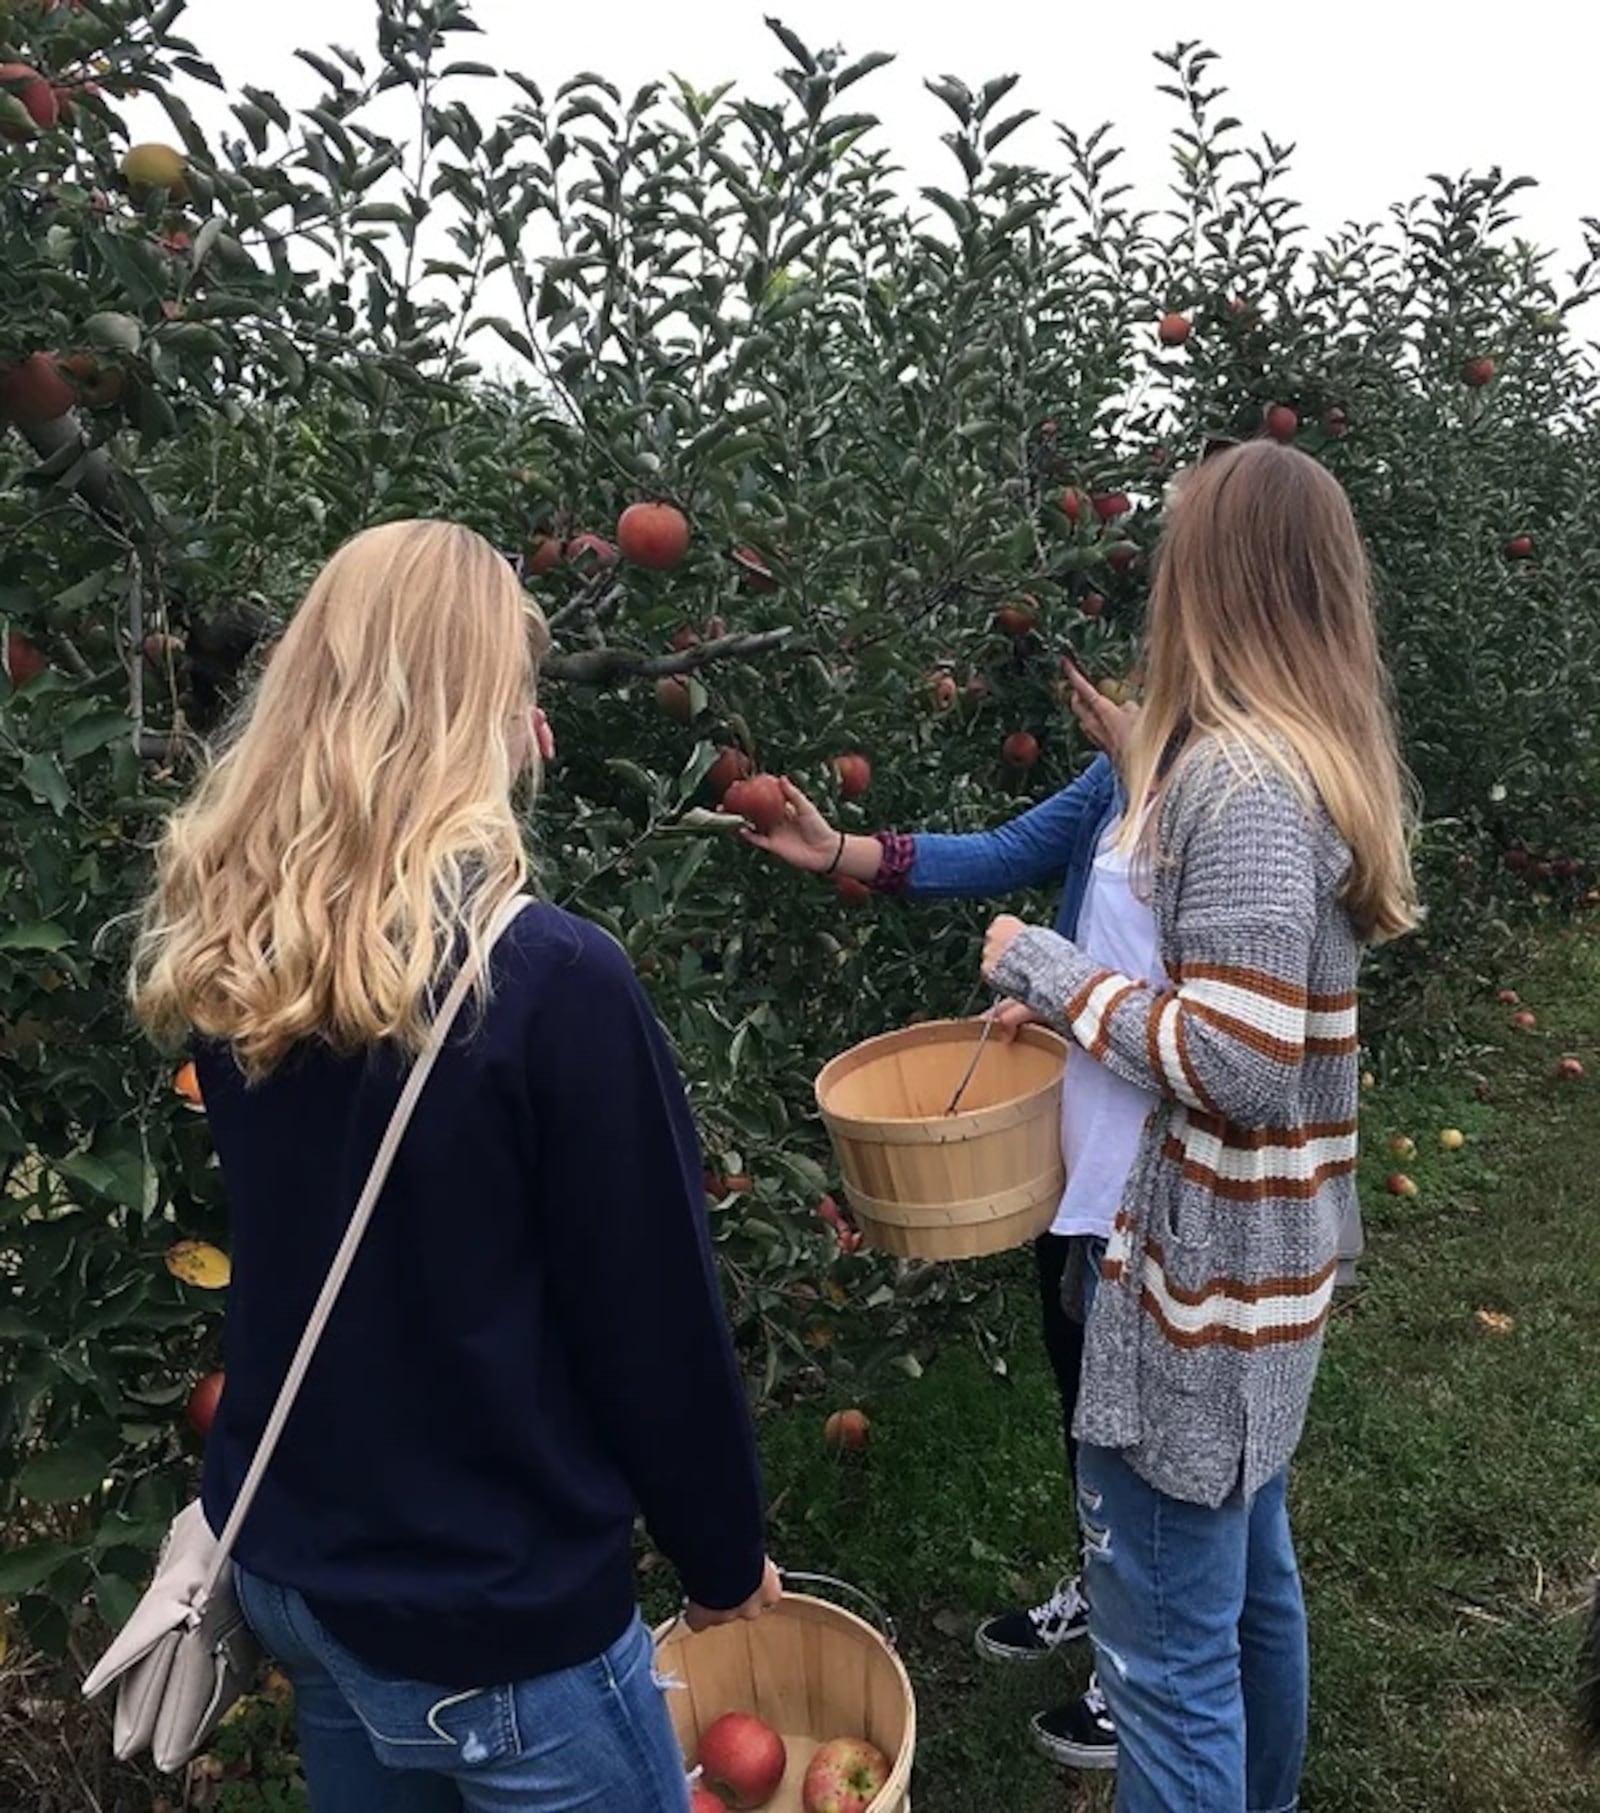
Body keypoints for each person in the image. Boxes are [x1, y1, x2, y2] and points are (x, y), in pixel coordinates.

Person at [130, 520, 780, 1813]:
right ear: (485, 709)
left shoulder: (246, 961)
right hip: (499, 1624)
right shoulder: (547, 984)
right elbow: (650, 1324)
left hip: (307, 1577)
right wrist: (721, 1556)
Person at [978, 439, 1417, 1812]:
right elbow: (1245, 1020)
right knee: (1251, 1584)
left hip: (1198, 1294)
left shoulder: (1235, 785)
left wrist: (1050, 973)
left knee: (1168, 1670)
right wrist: (1093, 1012)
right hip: (1265, 1277)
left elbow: (1240, 1061)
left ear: (1206, 581)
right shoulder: (1305, 767)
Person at [745, 659, 1144, 1772]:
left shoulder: (1229, 805)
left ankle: (1143, 1666)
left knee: (1139, 1420)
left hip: (1154, 1165)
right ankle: (1108, 1590)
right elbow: (1005, 854)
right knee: (1082, 1384)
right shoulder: (1115, 779)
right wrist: (839, 854)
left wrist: (1058, 978)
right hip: (1078, 1134)